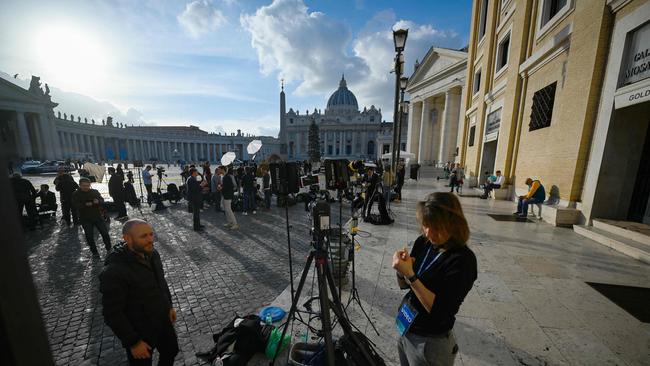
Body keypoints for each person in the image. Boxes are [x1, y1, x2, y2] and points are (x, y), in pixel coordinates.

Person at [392, 192, 477, 366]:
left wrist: (411, 275)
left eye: (436, 227)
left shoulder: (462, 260)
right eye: (425, 225)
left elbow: (440, 311)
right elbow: (404, 286)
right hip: (407, 327)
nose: (429, 233)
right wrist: (401, 270)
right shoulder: (423, 243)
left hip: (430, 341)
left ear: (454, 225)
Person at [99, 219, 179, 366]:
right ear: (127, 239)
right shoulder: (114, 271)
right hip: (140, 332)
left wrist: (169, 306)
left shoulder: (152, 254)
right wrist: (133, 343)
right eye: (144, 236)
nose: (150, 239)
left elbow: (161, 283)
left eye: (151, 234)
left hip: (162, 320)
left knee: (171, 350)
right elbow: (112, 313)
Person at [72, 177, 111, 255]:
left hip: (97, 216)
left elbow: (102, 201)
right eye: (84, 186)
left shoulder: (94, 192)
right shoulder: (76, 194)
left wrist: (98, 201)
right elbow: (75, 205)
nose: (86, 187)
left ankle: (109, 247)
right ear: (80, 185)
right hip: (85, 218)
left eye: (87, 185)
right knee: (89, 236)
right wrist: (85, 204)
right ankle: (94, 251)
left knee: (105, 233)